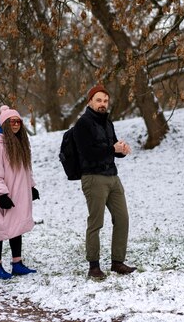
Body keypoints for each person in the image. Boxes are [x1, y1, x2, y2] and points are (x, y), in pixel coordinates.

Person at [73, 84, 136, 280]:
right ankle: (93, 266)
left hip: (112, 177)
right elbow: (88, 153)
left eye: (105, 101)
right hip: (93, 178)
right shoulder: (82, 124)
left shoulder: (108, 123)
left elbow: (112, 149)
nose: (102, 104)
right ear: (90, 101)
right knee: (96, 222)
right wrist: (112, 149)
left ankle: (117, 262)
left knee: (122, 218)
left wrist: (122, 150)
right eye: (99, 100)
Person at [0, 105, 39, 280]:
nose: (15, 125)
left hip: (17, 191)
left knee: (17, 226)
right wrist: (1, 194)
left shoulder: (17, 142)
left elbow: (25, 169)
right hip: (0, 194)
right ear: (5, 123)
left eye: (18, 122)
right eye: (12, 122)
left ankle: (17, 263)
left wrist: (31, 186)